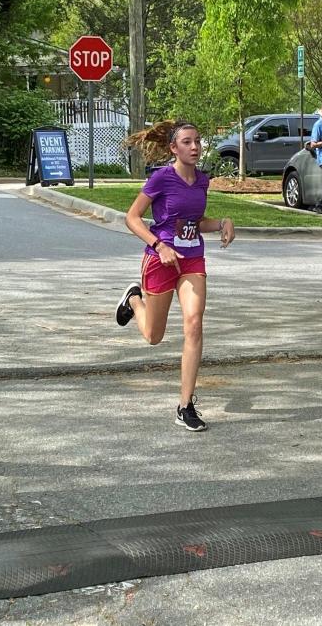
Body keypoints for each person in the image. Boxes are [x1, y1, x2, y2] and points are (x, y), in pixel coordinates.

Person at [114, 120, 235, 432]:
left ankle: (185, 405)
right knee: (153, 336)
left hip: (192, 258)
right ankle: (134, 300)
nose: (194, 147)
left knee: (194, 323)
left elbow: (195, 222)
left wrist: (223, 222)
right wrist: (158, 244)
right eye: (186, 142)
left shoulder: (202, 181)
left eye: (197, 141)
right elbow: (132, 217)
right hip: (160, 260)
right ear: (173, 148)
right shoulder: (162, 178)